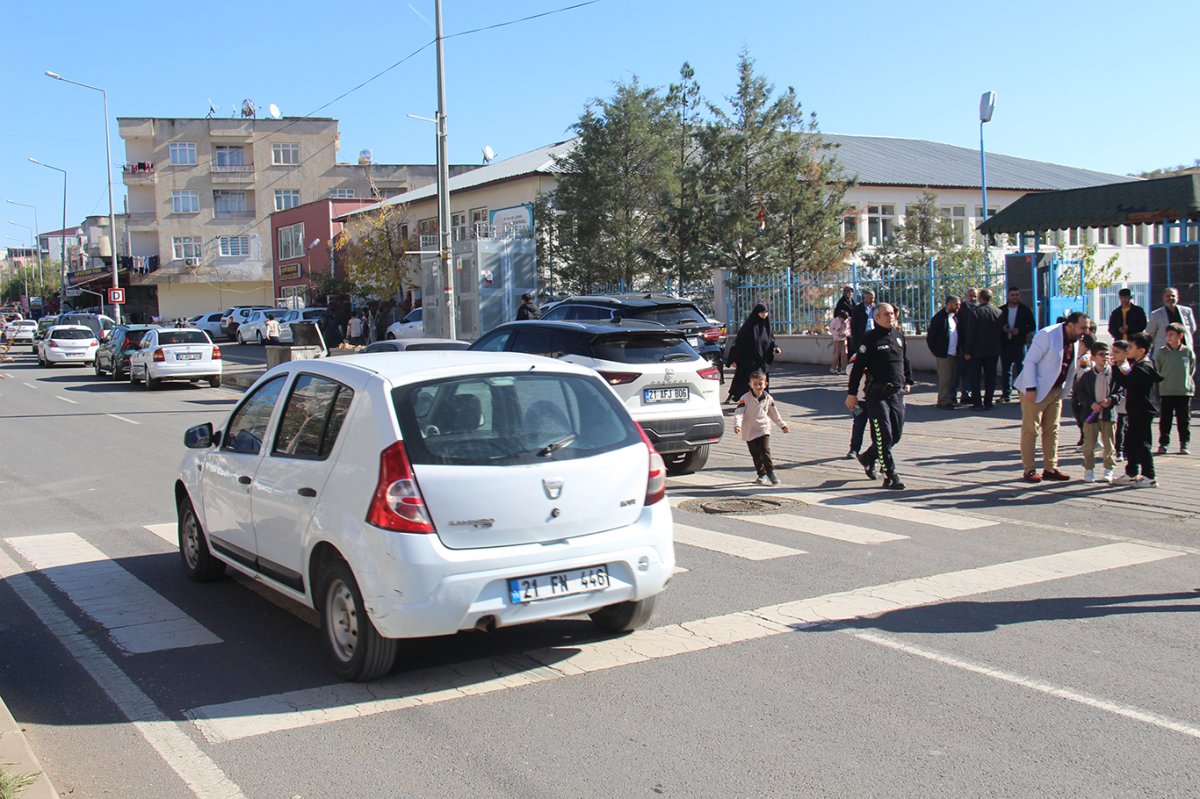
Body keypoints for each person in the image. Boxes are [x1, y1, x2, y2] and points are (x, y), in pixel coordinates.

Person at [1013, 311, 1091, 483]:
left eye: (1087, 327)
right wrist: (1031, 388)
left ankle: (1050, 467)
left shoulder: (1076, 340)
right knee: (1030, 430)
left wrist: (1065, 391)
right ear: (1071, 325)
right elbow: (1030, 361)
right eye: (1083, 327)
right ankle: (1029, 469)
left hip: (1056, 390)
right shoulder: (1047, 335)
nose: (1086, 331)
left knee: (1052, 429)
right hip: (1034, 389)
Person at [846, 303, 913, 490]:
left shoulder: (899, 336)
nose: (890, 317)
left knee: (895, 436)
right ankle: (890, 475)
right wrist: (852, 394)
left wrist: (908, 380)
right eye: (886, 314)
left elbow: (904, 360)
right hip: (877, 395)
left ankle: (868, 457)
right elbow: (857, 368)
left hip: (897, 394)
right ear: (876, 318)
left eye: (892, 313)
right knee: (883, 436)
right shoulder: (870, 339)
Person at [1109, 332, 1163, 487]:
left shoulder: (1144, 367)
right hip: (1134, 409)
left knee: (1142, 442)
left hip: (1143, 410)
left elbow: (1126, 382)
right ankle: (1131, 472)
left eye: (1131, 347)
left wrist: (1115, 367)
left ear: (1142, 350)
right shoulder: (1138, 365)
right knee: (1131, 442)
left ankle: (1149, 476)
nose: (1129, 350)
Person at [733, 369, 790, 485]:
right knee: (755, 454)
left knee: (765, 450)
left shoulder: (768, 398)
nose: (758, 386)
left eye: (760, 384)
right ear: (750, 384)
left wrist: (782, 425)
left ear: (765, 384)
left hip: (764, 428)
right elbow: (738, 412)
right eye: (755, 384)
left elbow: (774, 413)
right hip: (749, 430)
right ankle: (761, 473)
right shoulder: (745, 398)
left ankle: (771, 472)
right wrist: (737, 425)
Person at [1073, 341, 1116, 483]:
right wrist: (1091, 404)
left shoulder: (1114, 374)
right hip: (1090, 415)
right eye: (1101, 354)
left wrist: (1111, 399)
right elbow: (1079, 393)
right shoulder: (1087, 376)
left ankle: (1108, 469)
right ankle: (1089, 469)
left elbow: (1121, 391)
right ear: (1093, 357)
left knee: (1109, 444)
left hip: (1108, 415)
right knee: (1089, 445)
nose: (1105, 357)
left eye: (1107, 354)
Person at [726, 303, 781, 403]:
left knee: (760, 380)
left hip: (762, 360)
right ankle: (748, 401)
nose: (764, 315)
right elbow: (739, 343)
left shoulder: (766, 326)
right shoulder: (749, 327)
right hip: (749, 360)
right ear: (757, 313)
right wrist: (735, 359)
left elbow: (770, 340)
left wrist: (775, 347)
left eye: (766, 312)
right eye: (762, 312)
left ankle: (761, 400)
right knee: (749, 381)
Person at [1155, 322, 1194, 455]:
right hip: (1166, 390)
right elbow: (1158, 369)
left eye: (1172, 334)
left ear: (1180, 336)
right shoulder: (1162, 352)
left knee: (1183, 419)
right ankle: (1163, 443)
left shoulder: (1187, 351)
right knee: (1165, 419)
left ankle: (1184, 443)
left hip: (1183, 391)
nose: (1169, 337)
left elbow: (1191, 369)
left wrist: (1186, 382)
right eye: (1167, 335)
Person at [963, 288, 1002, 410]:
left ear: (980, 298)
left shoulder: (975, 312)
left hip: (976, 352)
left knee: (975, 378)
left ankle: (977, 403)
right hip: (993, 351)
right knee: (990, 377)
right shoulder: (998, 312)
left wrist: (967, 351)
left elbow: (970, 334)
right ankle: (988, 402)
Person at [999, 287, 1036, 402]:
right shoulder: (1002, 310)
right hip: (1005, 344)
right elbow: (995, 325)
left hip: (1019, 344)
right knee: (1006, 369)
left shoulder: (1025, 310)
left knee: (1021, 369)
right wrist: (1003, 329)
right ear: (1008, 296)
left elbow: (1032, 326)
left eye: (1017, 295)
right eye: (1012, 295)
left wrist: (1019, 330)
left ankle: (1022, 393)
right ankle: (1006, 394)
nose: (1015, 297)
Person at [925, 295, 960, 409]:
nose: (958, 306)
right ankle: (945, 401)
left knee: (952, 378)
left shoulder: (955, 317)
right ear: (949, 304)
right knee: (946, 378)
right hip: (943, 354)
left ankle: (942, 399)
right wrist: (935, 350)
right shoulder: (939, 318)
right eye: (956, 304)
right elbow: (931, 336)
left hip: (954, 352)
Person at [1145, 287, 1198, 352]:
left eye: (1173, 296)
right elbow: (1149, 334)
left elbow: (1192, 328)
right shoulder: (1156, 315)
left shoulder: (1187, 311)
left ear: (1177, 297)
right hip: (1165, 353)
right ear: (1163, 298)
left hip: (1184, 351)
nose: (1170, 298)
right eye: (1167, 296)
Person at [955, 287, 979, 406]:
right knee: (962, 372)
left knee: (972, 372)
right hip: (962, 346)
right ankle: (963, 395)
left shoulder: (978, 309)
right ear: (966, 296)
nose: (973, 298)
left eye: (975, 296)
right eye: (971, 295)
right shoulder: (960, 310)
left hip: (975, 347)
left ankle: (969, 394)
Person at [848, 289, 876, 355]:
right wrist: (856, 339)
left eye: (873, 298)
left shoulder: (876, 308)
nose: (872, 300)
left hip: (874, 335)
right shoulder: (857, 309)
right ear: (865, 297)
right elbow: (854, 325)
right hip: (862, 337)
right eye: (870, 298)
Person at [829, 309, 850, 374]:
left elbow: (849, 330)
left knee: (844, 354)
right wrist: (837, 333)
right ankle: (834, 367)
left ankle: (844, 368)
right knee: (836, 354)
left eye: (845, 319)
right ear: (840, 317)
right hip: (837, 339)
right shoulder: (835, 321)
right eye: (842, 319)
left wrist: (845, 333)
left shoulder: (847, 321)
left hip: (844, 338)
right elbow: (831, 330)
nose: (843, 320)